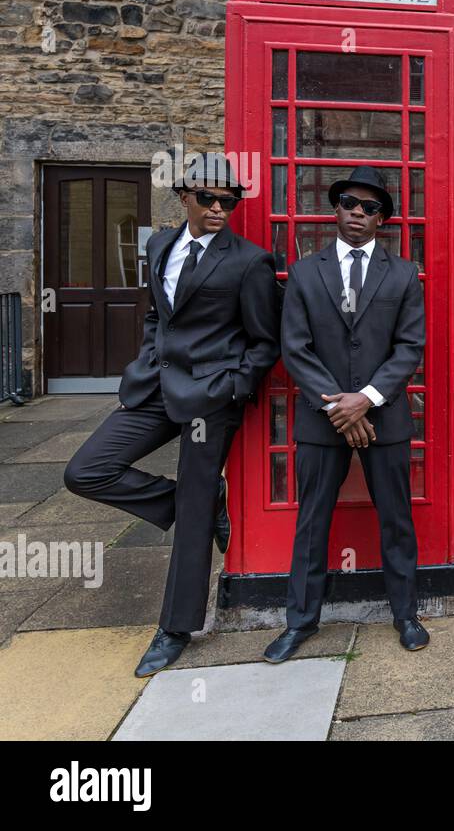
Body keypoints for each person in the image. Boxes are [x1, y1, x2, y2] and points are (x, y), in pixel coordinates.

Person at [64, 152, 280, 676]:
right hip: (154, 387)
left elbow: (264, 341)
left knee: (192, 512)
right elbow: (158, 314)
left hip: (210, 396)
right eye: (207, 198)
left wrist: (232, 386)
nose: (218, 209)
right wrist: (144, 363)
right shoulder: (160, 244)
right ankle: (202, 502)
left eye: (228, 202)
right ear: (184, 196)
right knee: (86, 471)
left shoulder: (249, 261)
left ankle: (175, 628)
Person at [264, 166, 428, 663]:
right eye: (350, 203)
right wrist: (340, 404)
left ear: (383, 219)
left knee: (396, 519)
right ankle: (300, 622)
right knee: (311, 522)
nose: (359, 212)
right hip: (323, 418)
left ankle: (405, 614)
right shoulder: (305, 271)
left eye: (370, 207)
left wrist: (366, 399)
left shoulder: (401, 274)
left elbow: (409, 347)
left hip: (385, 416)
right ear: (336, 209)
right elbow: (294, 348)